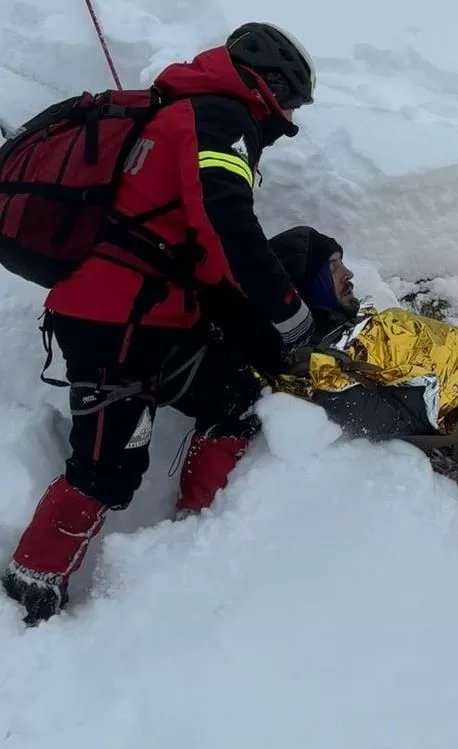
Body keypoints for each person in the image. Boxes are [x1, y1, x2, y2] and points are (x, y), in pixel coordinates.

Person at [2, 22, 319, 626]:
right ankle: (31, 585)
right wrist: (289, 314)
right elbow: (227, 225)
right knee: (105, 469)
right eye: (294, 101)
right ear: (272, 87)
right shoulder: (222, 121)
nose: (291, 116)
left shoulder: (184, 112)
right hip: (113, 321)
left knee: (235, 400)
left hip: (151, 319)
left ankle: (194, 540)